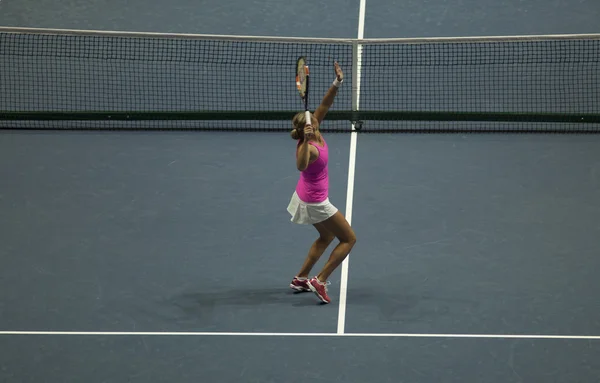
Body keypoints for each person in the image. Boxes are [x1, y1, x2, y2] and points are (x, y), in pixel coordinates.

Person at [287, 62, 357, 304]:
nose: (316, 121)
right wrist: (306, 142)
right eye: (312, 124)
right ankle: (320, 279)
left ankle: (301, 278)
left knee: (326, 237)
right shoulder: (310, 147)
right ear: (306, 129)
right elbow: (301, 165)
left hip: (304, 195)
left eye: (314, 122)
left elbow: (325, 104)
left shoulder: (315, 126)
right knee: (349, 239)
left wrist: (337, 82)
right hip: (315, 201)